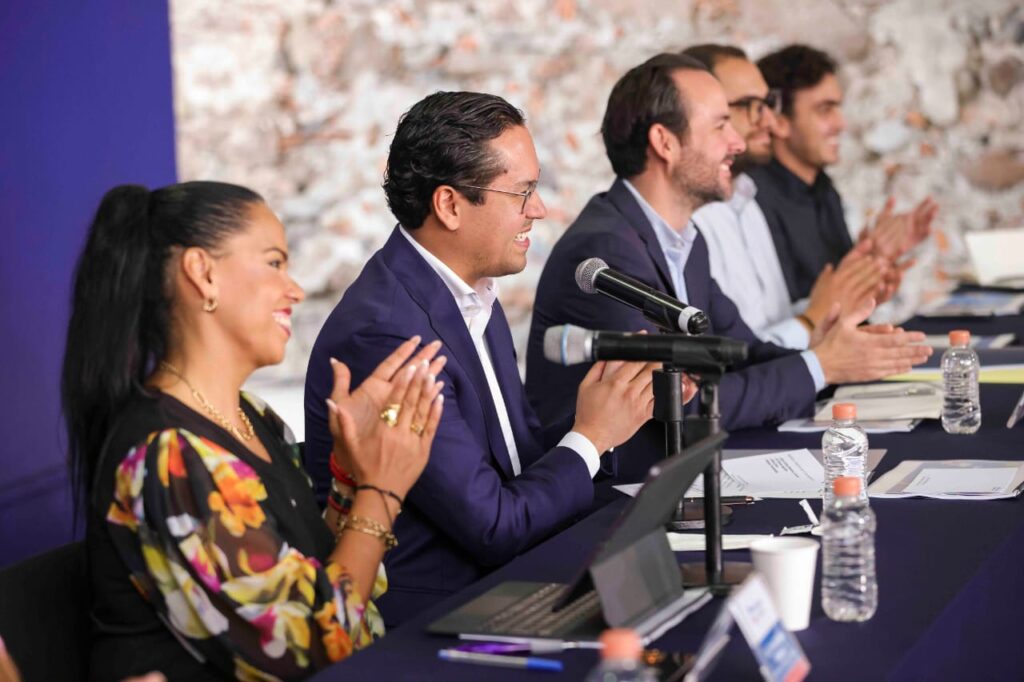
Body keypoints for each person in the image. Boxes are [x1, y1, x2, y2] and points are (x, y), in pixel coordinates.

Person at [303, 91, 668, 627]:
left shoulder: (470, 290)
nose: (538, 210)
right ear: (449, 205)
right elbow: (494, 526)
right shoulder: (386, 333)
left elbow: (513, 464)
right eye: (522, 192)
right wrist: (589, 438)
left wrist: (611, 409)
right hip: (434, 618)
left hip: (509, 574)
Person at [63, 181, 443, 680]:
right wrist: (384, 489)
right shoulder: (169, 455)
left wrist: (352, 476)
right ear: (203, 274)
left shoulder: (253, 416)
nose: (295, 290)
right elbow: (313, 647)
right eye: (274, 262)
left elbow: (318, 579)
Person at [526, 53, 931, 479]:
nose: (737, 143)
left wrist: (835, 353)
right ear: (665, 142)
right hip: (606, 497)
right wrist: (822, 364)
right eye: (721, 126)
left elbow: (740, 352)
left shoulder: (687, 240)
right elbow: (675, 405)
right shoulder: (607, 247)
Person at [684, 44, 887, 349]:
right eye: (751, 105)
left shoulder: (746, 200)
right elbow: (728, 361)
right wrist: (814, 317)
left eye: (769, 104)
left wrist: (848, 294)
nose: (769, 121)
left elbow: (771, 324)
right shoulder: (694, 216)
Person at [749, 44, 938, 303]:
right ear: (779, 122)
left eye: (837, 108)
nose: (841, 123)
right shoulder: (753, 202)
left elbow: (838, 303)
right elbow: (782, 318)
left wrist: (872, 263)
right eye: (825, 110)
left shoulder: (823, 188)